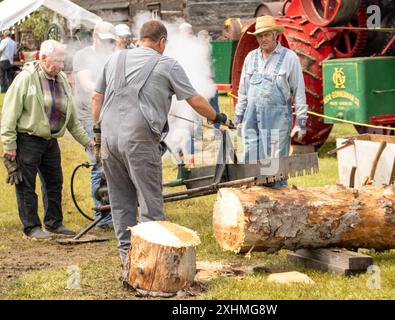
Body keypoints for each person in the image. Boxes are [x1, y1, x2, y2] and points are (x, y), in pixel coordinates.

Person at [91, 20, 232, 264]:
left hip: (109, 139)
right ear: (162, 42)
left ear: (140, 38)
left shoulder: (115, 59)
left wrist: (97, 134)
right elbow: (196, 101)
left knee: (121, 201)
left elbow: (96, 97)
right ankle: (151, 263)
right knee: (150, 203)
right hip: (139, 140)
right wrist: (218, 116)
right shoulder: (167, 64)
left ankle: (127, 259)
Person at [1, 40, 95, 240]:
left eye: (63, 61)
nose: (61, 65)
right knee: (26, 185)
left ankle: (54, 223)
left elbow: (72, 120)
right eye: (58, 61)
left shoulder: (61, 79)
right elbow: (9, 114)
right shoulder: (26, 79)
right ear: (43, 58)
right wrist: (9, 145)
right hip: (28, 140)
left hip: (51, 141)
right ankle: (32, 228)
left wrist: (88, 142)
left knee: (54, 182)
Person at [235, 15, 308, 186]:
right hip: (252, 119)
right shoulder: (250, 58)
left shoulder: (289, 58)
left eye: (267, 34)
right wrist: (239, 117)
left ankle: (279, 203)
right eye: (260, 36)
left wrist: (301, 121)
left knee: (275, 164)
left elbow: (299, 91)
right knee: (251, 157)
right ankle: (252, 197)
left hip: (278, 120)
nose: (263, 39)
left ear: (275, 34)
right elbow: (243, 91)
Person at [72, 21, 117, 229]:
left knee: (113, 164)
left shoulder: (112, 56)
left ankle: (114, 210)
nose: (108, 45)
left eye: (111, 41)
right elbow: (88, 84)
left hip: (110, 115)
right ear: (95, 37)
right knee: (99, 165)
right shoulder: (83, 56)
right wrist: (106, 93)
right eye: (105, 40)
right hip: (90, 116)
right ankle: (103, 217)